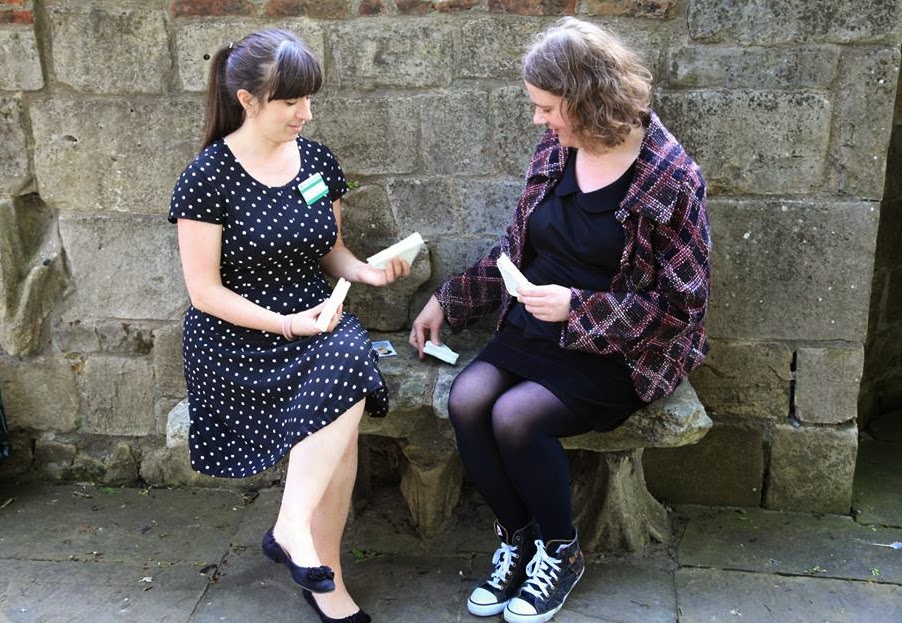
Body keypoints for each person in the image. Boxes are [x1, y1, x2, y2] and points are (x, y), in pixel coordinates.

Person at [410, 17, 711, 623]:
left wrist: (580, 308)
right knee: (468, 399)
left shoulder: (671, 177)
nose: (538, 120)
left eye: (547, 107)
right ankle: (518, 539)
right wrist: (449, 299)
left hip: (620, 352)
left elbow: (683, 310)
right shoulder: (557, 146)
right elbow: (517, 249)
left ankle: (561, 552)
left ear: (587, 100)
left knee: (516, 417)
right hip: (534, 328)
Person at [169, 29, 410, 623]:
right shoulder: (206, 177)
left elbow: (333, 252)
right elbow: (203, 292)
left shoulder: (319, 161)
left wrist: (369, 273)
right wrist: (284, 324)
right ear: (248, 100)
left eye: (309, 100)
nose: (305, 113)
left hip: (316, 318)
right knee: (344, 397)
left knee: (347, 365)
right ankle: (313, 562)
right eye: (290, 102)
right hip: (237, 335)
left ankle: (299, 542)